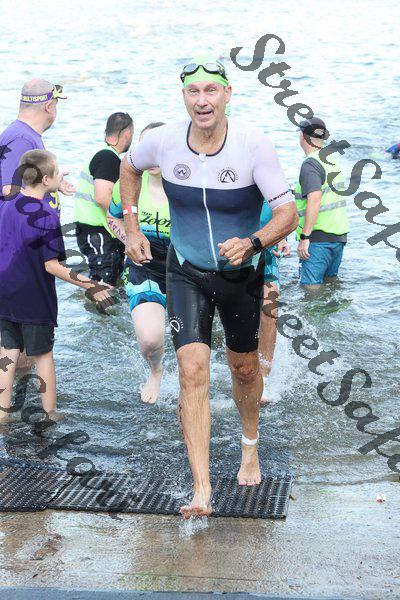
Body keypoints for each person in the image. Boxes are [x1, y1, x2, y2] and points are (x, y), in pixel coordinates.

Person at [120, 54, 298, 518]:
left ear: (227, 95)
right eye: (193, 92)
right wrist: (132, 226)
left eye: (211, 91)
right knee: (192, 370)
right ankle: (202, 489)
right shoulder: (164, 141)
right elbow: (128, 167)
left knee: (244, 370)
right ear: (184, 97)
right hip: (187, 271)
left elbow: (288, 213)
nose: (202, 101)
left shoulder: (252, 145)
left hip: (241, 275)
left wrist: (255, 242)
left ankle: (249, 445)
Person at [0, 150, 113, 423]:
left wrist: (53, 179)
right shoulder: (47, 215)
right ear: (46, 179)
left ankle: (2, 415)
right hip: (34, 297)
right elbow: (51, 265)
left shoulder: (7, 204)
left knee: (8, 353)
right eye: (56, 172)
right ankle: (50, 414)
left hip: (5, 292)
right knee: (43, 355)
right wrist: (89, 284)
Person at [106, 121, 170, 404]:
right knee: (150, 340)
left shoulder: (186, 183)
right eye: (147, 146)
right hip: (146, 266)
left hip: (186, 268)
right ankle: (156, 370)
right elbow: (112, 217)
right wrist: (129, 238)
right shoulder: (127, 184)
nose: (152, 154)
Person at [74, 113, 133, 285]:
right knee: (103, 281)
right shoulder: (107, 157)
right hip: (97, 229)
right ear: (127, 134)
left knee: (110, 277)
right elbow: (101, 197)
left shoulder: (100, 154)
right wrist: (125, 223)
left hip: (91, 228)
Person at [0, 78, 75, 208]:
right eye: (55, 105)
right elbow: (10, 191)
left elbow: (28, 185)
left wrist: (52, 182)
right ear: (48, 107)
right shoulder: (22, 140)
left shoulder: (25, 134)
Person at [296, 117, 349, 288]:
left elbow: (315, 200)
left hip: (317, 240)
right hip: (338, 238)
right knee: (330, 285)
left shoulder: (310, 164)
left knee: (310, 290)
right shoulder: (331, 161)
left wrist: (305, 237)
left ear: (302, 136)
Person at [258, 200, 290, 404]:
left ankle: (263, 379)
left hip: (267, 250)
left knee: (270, 311)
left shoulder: (270, 181)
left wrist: (283, 236)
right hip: (232, 247)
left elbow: (284, 209)